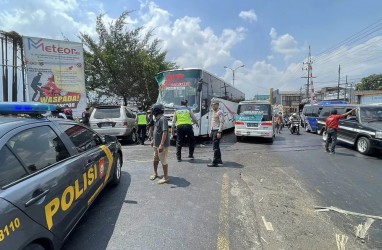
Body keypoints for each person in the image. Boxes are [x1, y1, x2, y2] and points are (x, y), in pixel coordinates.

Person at [150, 103, 170, 184]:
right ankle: (155, 173)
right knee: (155, 159)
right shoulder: (157, 119)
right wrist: (153, 140)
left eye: (153, 110)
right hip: (156, 144)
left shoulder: (163, 119)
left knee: (163, 160)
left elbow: (164, 132)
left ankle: (165, 177)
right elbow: (157, 131)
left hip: (162, 145)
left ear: (156, 111)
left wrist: (161, 144)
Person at [207, 100, 224, 167]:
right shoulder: (213, 112)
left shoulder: (220, 112)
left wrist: (219, 132)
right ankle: (219, 160)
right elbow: (212, 122)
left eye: (214, 105)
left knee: (215, 147)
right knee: (216, 146)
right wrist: (210, 131)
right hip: (213, 130)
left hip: (217, 130)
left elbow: (221, 122)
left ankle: (214, 162)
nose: (213, 106)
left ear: (217, 105)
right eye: (212, 105)